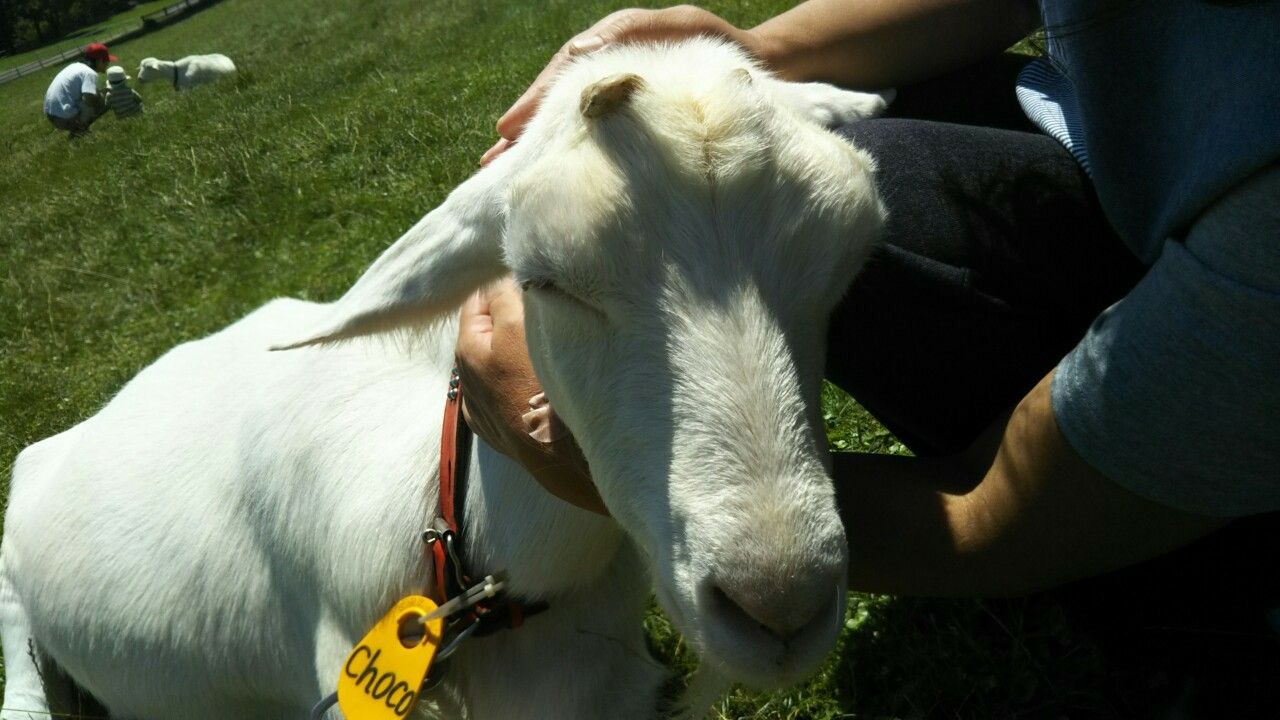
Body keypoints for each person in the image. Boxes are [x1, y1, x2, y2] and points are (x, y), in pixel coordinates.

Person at [456, 0, 1279, 696]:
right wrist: (753, 51)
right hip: (1112, 142)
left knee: (821, 193)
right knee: (801, 174)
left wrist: (582, 470)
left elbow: (993, 509)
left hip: (1242, 310)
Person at [44, 42, 116, 136]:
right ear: (99, 61)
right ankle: (80, 129)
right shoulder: (89, 73)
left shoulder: (75, 66)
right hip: (64, 118)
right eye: (107, 61)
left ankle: (77, 128)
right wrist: (104, 99)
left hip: (51, 114)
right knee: (104, 101)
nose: (108, 64)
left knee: (96, 96)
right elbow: (89, 97)